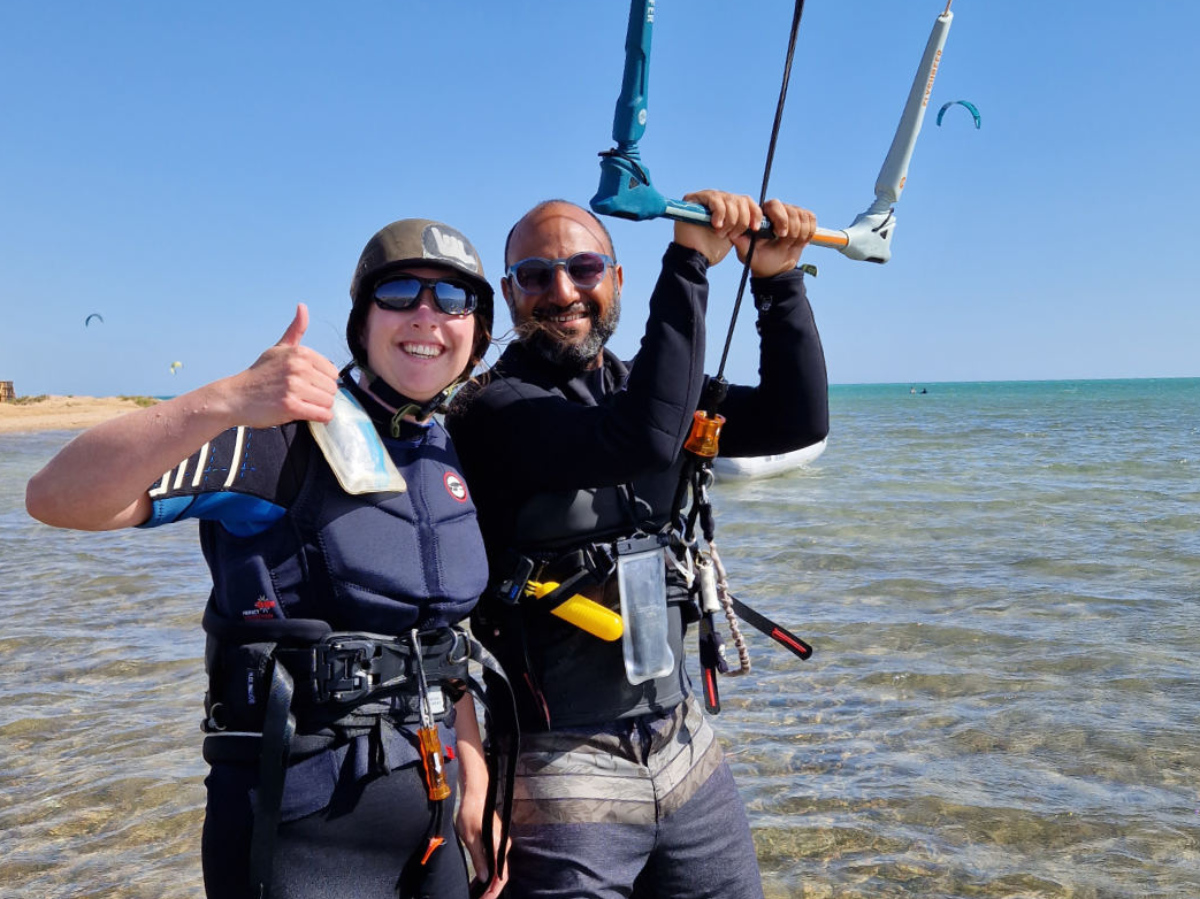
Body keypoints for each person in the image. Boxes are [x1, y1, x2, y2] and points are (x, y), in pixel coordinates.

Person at [26, 218, 510, 899]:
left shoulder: (440, 448)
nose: (426, 315)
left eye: (454, 299)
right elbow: (56, 497)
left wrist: (476, 783)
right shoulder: (281, 438)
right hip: (301, 835)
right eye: (400, 292)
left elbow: (439, 646)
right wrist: (223, 401)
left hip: (435, 817)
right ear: (362, 321)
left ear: (476, 329)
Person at [445, 191, 829, 898]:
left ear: (616, 278)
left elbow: (794, 420)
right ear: (509, 293)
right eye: (535, 275)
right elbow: (640, 438)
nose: (562, 291)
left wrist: (778, 282)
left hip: (683, 740)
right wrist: (688, 262)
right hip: (560, 765)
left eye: (584, 267)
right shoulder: (490, 410)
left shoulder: (645, 391)